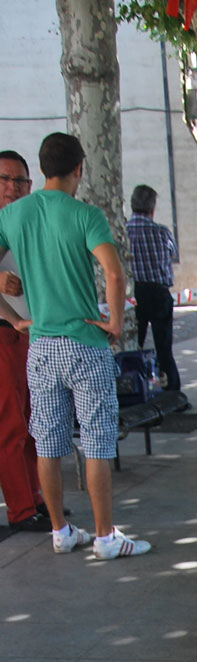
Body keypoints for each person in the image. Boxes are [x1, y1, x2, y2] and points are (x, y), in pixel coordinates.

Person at [0, 131, 150, 558]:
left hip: (41, 343)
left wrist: (14, 318)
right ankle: (105, 536)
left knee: (47, 441)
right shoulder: (86, 216)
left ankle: (60, 531)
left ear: (41, 169)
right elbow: (115, 274)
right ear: (78, 169)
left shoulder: (14, 215)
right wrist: (115, 321)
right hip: (85, 341)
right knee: (98, 440)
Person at [0, 149, 47, 532]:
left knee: (32, 422)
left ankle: (36, 498)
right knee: (11, 424)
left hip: (26, 335)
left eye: (20, 180)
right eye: (4, 179)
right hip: (4, 335)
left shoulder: (26, 223)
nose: (12, 187)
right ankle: (20, 509)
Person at [125, 183, 182, 396]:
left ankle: (134, 389)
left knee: (133, 345)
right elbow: (172, 254)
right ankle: (172, 390)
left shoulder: (124, 232)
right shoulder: (162, 232)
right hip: (159, 292)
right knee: (164, 347)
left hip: (134, 294)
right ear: (152, 208)